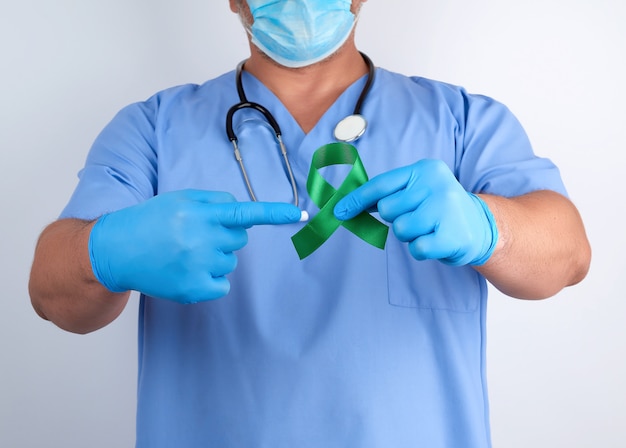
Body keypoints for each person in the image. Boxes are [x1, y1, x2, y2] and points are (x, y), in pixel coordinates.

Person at [29, 0, 591, 446]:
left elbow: (566, 256)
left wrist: (489, 226)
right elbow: (53, 295)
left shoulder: (462, 121)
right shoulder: (153, 129)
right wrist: (104, 251)